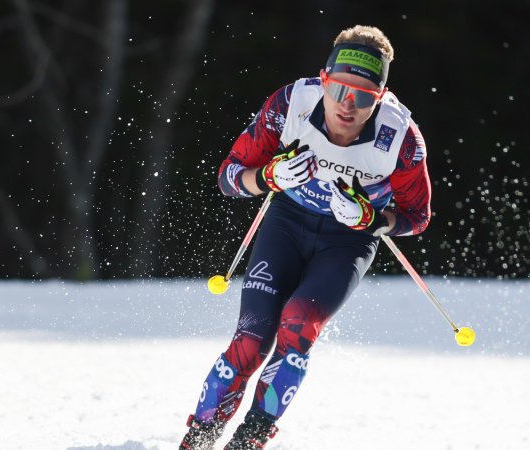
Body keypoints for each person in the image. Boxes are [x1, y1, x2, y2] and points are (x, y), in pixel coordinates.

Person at [180, 25, 431, 450]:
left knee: (297, 328)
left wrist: (370, 218)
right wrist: (268, 176)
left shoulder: (402, 139)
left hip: (347, 243)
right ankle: (199, 439)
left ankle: (250, 439)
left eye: (364, 97)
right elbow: (228, 178)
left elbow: (417, 217)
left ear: (381, 97)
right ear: (324, 80)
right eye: (339, 90)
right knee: (251, 338)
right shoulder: (291, 103)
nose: (347, 107)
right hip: (286, 222)